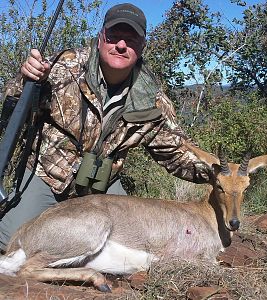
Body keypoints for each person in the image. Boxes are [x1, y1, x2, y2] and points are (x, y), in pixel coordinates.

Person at [0, 3, 211, 251]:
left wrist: (221, 173)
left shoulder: (152, 100)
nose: (121, 45)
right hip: (47, 177)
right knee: (15, 244)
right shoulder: (62, 66)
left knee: (136, 244)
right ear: (101, 38)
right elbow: (12, 109)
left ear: (142, 47)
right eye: (114, 36)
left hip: (101, 187)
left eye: (131, 39)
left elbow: (177, 152)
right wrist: (25, 79)